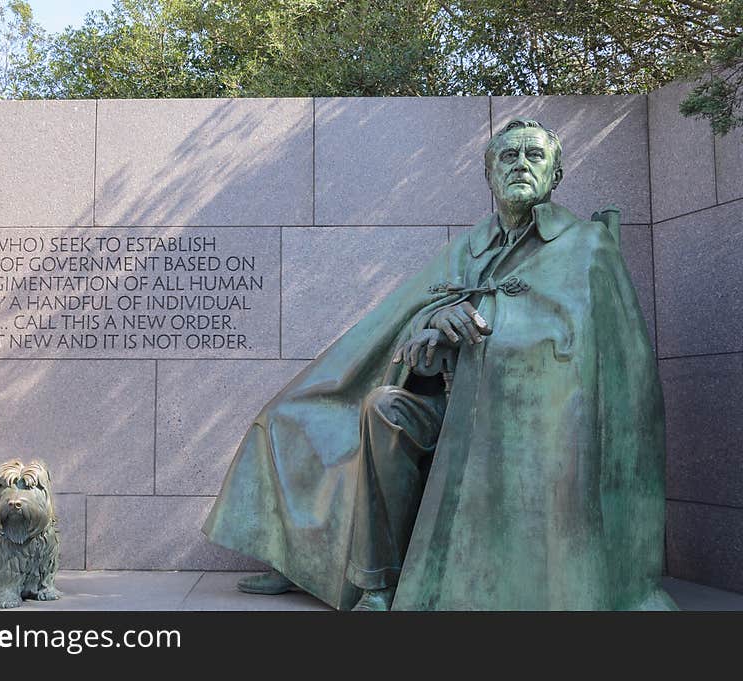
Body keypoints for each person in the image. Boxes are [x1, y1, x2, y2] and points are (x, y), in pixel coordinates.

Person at [203, 118, 676, 611]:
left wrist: (486, 320)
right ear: (489, 174)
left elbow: (580, 345)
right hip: (449, 404)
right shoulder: (471, 245)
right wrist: (431, 329)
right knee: (354, 410)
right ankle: (364, 578)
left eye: (534, 156)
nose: (520, 165)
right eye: (507, 156)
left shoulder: (585, 243)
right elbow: (411, 316)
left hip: (523, 421)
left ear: (556, 174)